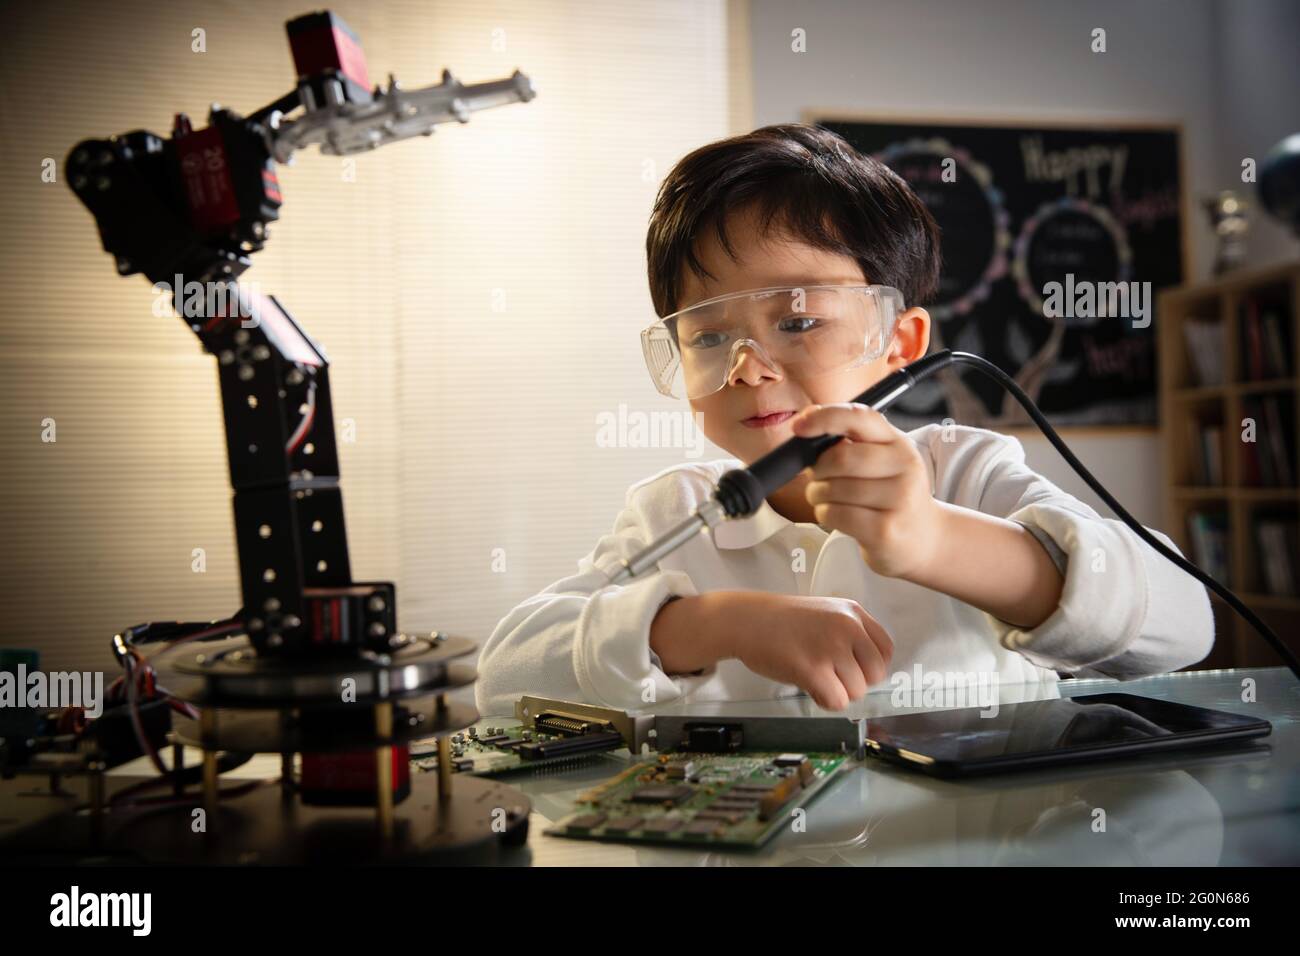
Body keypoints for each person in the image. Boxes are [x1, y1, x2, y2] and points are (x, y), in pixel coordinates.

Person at [476, 124, 1213, 716]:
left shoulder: (967, 473)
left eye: (797, 321)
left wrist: (937, 540)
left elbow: (1186, 624)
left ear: (900, 343)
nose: (747, 367)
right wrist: (709, 624)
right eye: (707, 336)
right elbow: (505, 675)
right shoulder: (672, 510)